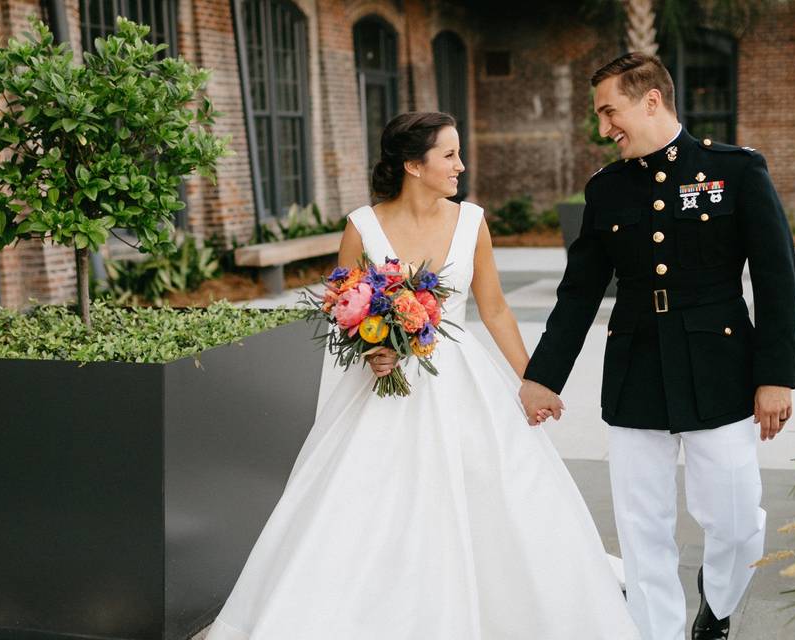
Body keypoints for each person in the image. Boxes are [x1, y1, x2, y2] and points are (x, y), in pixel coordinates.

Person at [205, 111, 639, 640]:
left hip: (459, 380)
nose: (461, 165)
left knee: (495, 490)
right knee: (363, 501)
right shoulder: (362, 226)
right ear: (413, 164)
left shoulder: (472, 221)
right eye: (449, 155)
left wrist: (534, 380)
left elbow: (496, 310)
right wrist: (372, 351)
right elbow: (342, 305)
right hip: (382, 390)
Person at [519, 52, 795, 640]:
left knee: (737, 519)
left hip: (721, 370)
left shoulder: (736, 171)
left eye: (609, 111)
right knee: (642, 526)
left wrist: (776, 376)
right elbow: (579, 293)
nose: (603, 128)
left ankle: (717, 604)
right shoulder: (607, 189)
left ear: (651, 99)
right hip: (636, 368)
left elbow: (776, 281)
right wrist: (543, 375)